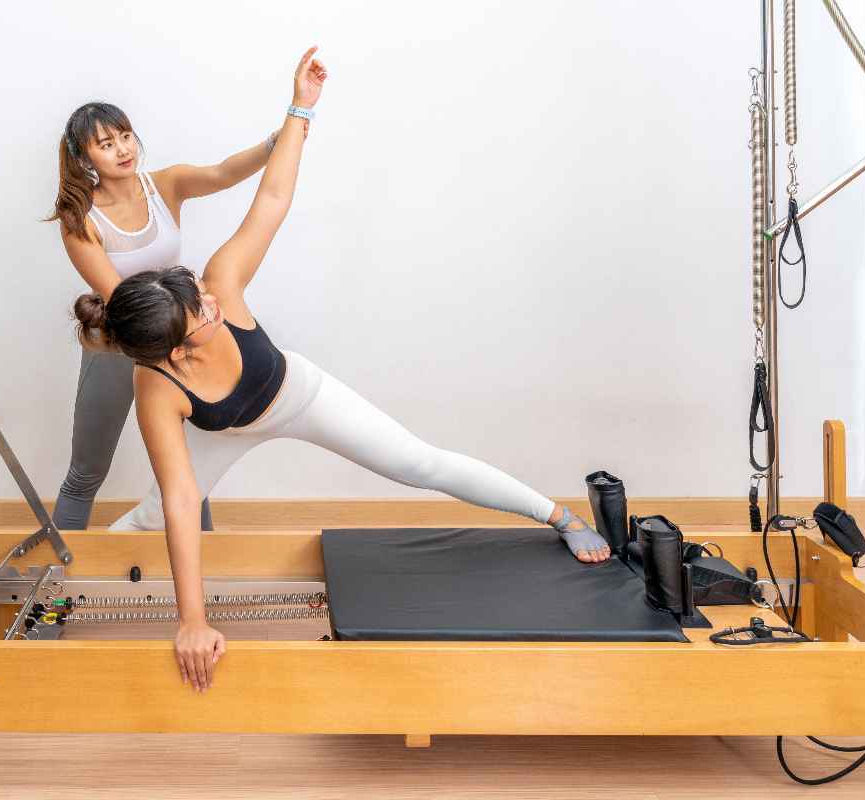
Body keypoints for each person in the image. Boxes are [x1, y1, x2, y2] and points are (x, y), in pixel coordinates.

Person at [74, 47, 611, 694]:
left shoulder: (219, 282)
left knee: (420, 463)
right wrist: (194, 620)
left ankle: (557, 515)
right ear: (179, 353)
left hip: (295, 395)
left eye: (202, 295)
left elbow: (273, 198)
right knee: (151, 517)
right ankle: (59, 589)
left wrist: (300, 107)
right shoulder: (156, 384)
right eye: (203, 315)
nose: (214, 301)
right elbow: (185, 498)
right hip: (223, 429)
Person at [47, 100, 285, 530]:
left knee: (193, 474)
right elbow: (119, 296)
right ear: (85, 158)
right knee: (86, 472)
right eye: (106, 143)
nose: (122, 148)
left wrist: (276, 142)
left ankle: (205, 576)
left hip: (181, 343)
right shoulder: (80, 220)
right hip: (121, 348)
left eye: (125, 136)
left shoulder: (166, 185)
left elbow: (223, 173)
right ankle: (58, 585)